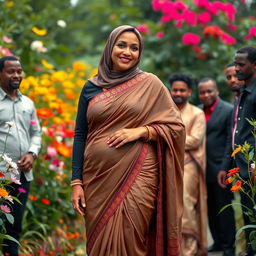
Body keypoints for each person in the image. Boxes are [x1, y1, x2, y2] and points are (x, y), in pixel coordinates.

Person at [71, 25, 185, 256]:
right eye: (121, 45)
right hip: (97, 179)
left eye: (135, 48)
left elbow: (176, 127)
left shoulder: (150, 84)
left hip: (139, 174)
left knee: (132, 237)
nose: (128, 52)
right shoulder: (91, 87)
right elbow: (80, 134)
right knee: (100, 240)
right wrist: (76, 182)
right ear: (110, 47)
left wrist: (141, 131)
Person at [0, 56, 41, 256]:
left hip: (23, 176)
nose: (16, 75)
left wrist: (32, 154)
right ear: (0, 74)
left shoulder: (28, 104)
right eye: (11, 71)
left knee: (14, 228)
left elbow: (36, 133)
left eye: (19, 71)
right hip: (1, 177)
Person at [218, 46, 256, 256]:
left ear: (254, 65)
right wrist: (227, 165)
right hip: (240, 167)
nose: (237, 68)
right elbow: (235, 135)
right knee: (249, 216)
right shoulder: (242, 93)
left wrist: (254, 165)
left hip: (252, 169)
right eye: (236, 63)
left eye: (241, 64)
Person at [169, 73, 207, 256]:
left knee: (186, 205)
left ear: (189, 92)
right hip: (167, 165)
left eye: (182, 90)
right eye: (175, 89)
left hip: (189, 164)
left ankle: (189, 251)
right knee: (168, 207)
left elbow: (195, 140)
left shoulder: (197, 113)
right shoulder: (164, 110)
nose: (178, 93)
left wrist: (167, 138)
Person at [198, 78, 236, 256]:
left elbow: (230, 141)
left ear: (217, 91)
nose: (206, 95)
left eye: (209, 91)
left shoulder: (228, 110)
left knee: (224, 209)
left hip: (221, 170)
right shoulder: (197, 111)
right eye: (202, 92)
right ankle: (218, 242)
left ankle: (229, 246)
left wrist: (224, 167)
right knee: (210, 209)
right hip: (202, 169)